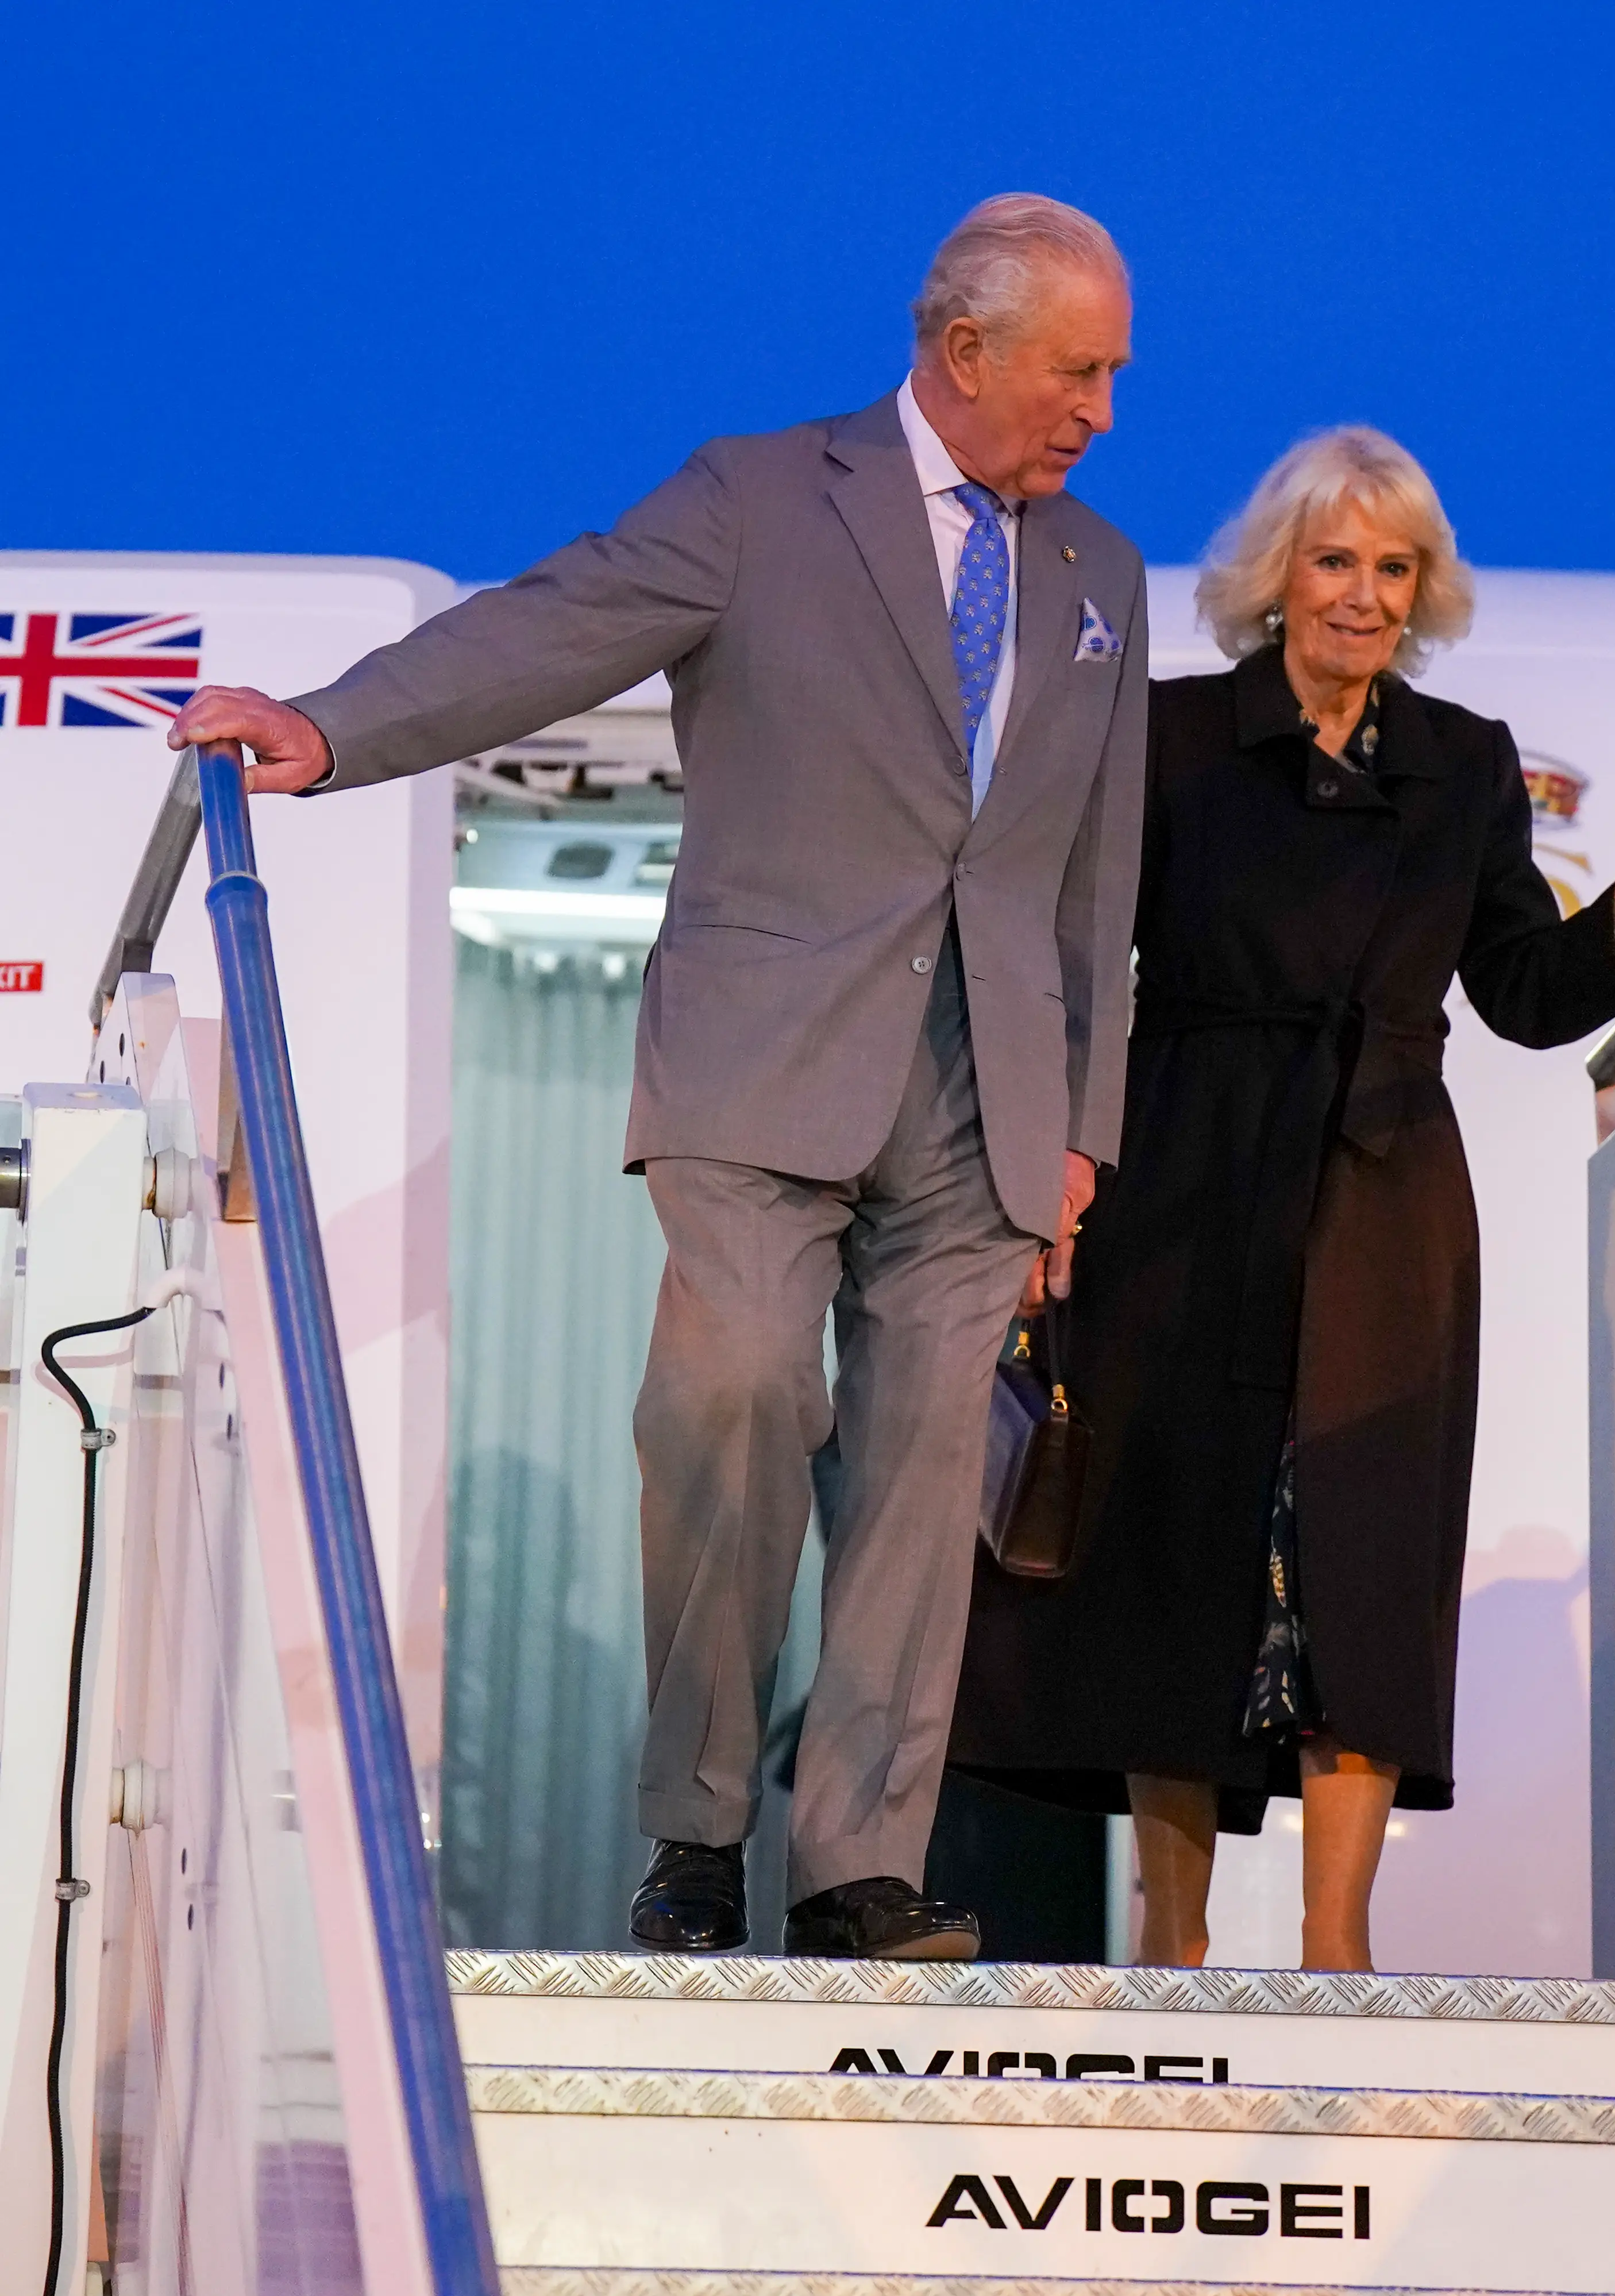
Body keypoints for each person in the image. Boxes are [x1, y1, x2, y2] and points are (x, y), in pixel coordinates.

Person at [168, 194, 1147, 1962]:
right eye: (1079, 373)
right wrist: (328, 730)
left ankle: (857, 1867)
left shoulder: (1099, 573)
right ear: (965, 350)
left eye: (1115, 377)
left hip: (985, 1090)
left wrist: (1084, 1129)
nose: (1100, 411)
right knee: (734, 1401)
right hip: (762, 1058)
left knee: (927, 1477)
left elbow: (1099, 868)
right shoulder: (765, 499)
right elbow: (552, 624)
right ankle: (697, 1834)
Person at [949, 425, 1615, 1971]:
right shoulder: (1168, 737)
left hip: (1383, 1202)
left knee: (1359, 1568)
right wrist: (1042, 1177)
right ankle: (1168, 1944)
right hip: (1181, 1175)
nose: (1364, 596)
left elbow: (1519, 991)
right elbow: (1067, 961)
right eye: (1335, 562)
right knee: (1173, 1554)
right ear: (1276, 579)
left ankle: (1339, 1957)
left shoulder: (1460, 767)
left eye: (1395, 569)